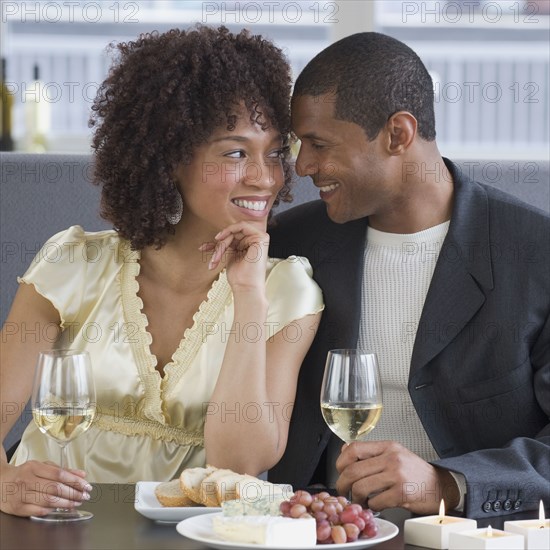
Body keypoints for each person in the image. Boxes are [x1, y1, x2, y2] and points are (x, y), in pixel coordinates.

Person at [0, 26, 323, 518]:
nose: (265, 176)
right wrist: (4, 484)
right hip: (50, 525)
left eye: (276, 152)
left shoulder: (285, 291)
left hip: (189, 535)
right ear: (171, 157)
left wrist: (249, 298)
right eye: (235, 152)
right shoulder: (73, 264)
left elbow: (239, 463)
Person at [268, 32, 549, 519]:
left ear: (399, 133)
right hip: (315, 529)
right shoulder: (292, 242)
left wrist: (450, 482)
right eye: (298, 144)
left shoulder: (534, 251)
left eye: (318, 144)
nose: (303, 166)